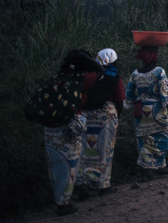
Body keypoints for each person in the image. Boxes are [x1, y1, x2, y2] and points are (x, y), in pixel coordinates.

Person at [44, 49, 104, 216]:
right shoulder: (80, 80)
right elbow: (101, 71)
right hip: (69, 128)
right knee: (69, 166)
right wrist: (87, 58)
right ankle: (63, 204)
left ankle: (59, 199)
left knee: (55, 165)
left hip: (50, 128)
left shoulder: (57, 78)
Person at [76, 48, 125, 196]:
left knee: (84, 150)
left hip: (85, 116)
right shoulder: (114, 76)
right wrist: (118, 116)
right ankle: (102, 185)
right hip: (106, 117)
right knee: (104, 150)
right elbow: (120, 100)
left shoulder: (90, 75)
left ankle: (82, 182)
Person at [123, 46, 168, 177]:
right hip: (156, 109)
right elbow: (165, 93)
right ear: (153, 57)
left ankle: (147, 166)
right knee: (162, 135)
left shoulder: (135, 74)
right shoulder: (159, 72)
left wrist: (136, 101)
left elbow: (128, 94)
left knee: (144, 137)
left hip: (140, 109)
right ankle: (158, 164)